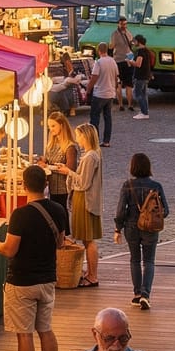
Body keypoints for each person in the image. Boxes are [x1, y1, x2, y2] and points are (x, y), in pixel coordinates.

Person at [0, 163, 62, 351]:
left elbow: (9, 250)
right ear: (46, 185)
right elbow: (60, 242)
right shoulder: (59, 210)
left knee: (24, 334)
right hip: (47, 278)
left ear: (24, 185)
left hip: (21, 281)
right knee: (46, 330)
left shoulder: (20, 214)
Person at [113, 152, 169, 311]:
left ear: (132, 167)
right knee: (149, 261)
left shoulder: (127, 185)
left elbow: (120, 210)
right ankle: (146, 294)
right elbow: (165, 210)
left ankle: (137, 294)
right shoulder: (156, 186)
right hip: (150, 227)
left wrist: (118, 228)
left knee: (135, 260)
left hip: (131, 226)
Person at [65, 123, 104, 287]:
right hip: (85, 199)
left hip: (85, 200)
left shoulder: (90, 157)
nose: (77, 138)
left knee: (88, 240)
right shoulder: (92, 155)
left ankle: (93, 275)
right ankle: (90, 273)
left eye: (79, 135)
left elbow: (84, 182)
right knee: (87, 239)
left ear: (85, 136)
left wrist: (68, 172)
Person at [42, 111, 78, 236]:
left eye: (53, 126)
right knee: (55, 212)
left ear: (61, 125)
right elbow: (46, 159)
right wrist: (42, 161)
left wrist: (48, 167)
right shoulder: (51, 144)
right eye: (49, 126)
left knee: (61, 212)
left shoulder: (69, 146)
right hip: (52, 186)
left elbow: (70, 168)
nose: (50, 129)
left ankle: (65, 237)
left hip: (63, 187)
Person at [87, 47, 119, 146]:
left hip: (99, 93)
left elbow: (94, 77)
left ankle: (94, 141)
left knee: (95, 117)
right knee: (108, 117)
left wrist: (88, 89)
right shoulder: (113, 61)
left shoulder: (99, 62)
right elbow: (116, 77)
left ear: (99, 51)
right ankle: (106, 141)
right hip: (110, 94)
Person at [108, 17, 134, 111]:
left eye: (124, 24)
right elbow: (132, 43)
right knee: (128, 84)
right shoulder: (129, 32)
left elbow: (111, 46)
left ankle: (121, 105)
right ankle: (130, 105)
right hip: (128, 61)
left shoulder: (114, 34)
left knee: (119, 84)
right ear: (119, 24)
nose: (124, 26)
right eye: (123, 24)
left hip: (118, 61)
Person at [130, 35, 153, 119]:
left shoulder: (140, 52)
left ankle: (144, 112)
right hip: (146, 75)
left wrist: (130, 61)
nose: (134, 43)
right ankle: (145, 111)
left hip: (140, 76)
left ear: (138, 42)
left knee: (137, 94)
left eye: (135, 41)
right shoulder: (146, 51)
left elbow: (138, 64)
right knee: (143, 94)